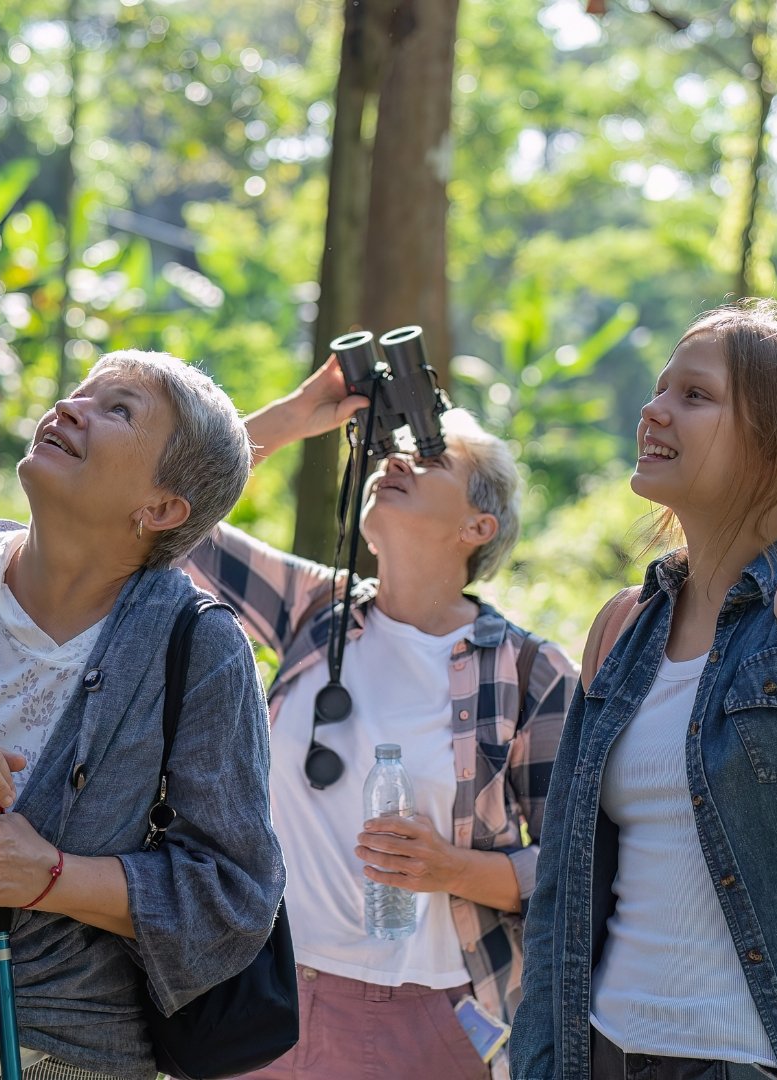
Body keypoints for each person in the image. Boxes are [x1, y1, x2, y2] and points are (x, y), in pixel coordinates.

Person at [508, 140, 777, 1080]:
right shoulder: (624, 628)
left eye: (694, 396)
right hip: (604, 1052)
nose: (654, 411)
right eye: (662, 388)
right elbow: (566, 898)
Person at [0, 350, 284, 1080]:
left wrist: (44, 874)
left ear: (161, 509)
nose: (71, 408)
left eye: (118, 409)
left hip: (60, 1052)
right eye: (81, 393)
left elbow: (232, 895)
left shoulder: (198, 647)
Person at [184, 365, 578, 1080]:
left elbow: (577, 861)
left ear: (477, 526)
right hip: (258, 990)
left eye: (430, 457)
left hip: (423, 1017)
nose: (393, 460)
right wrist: (291, 418)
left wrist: (455, 869)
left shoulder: (528, 672)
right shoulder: (316, 612)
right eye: (391, 453)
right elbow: (170, 517)